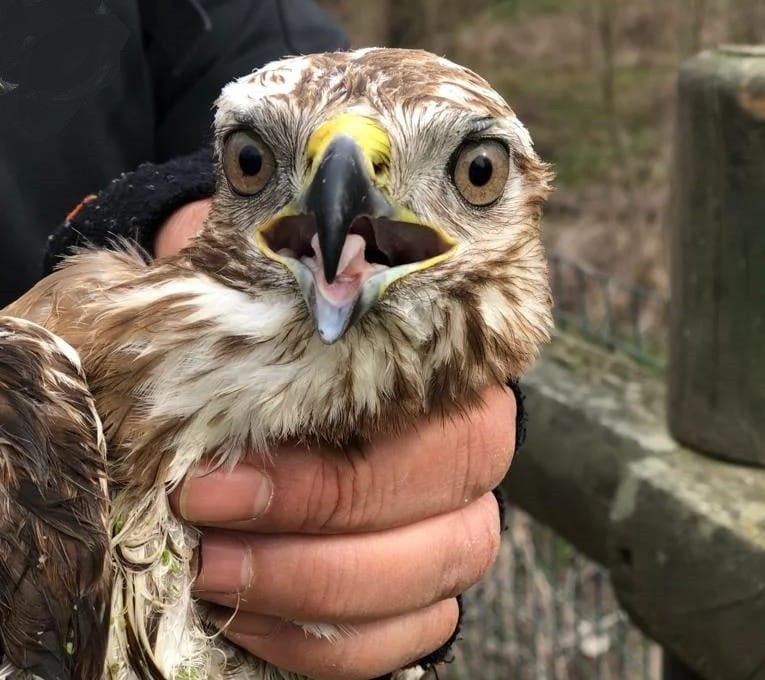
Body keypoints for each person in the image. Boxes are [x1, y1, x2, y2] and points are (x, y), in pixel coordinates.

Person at [2, 2, 522, 678]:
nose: (344, 205)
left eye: (472, 175)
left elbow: (253, 45)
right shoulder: (39, 396)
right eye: (252, 165)